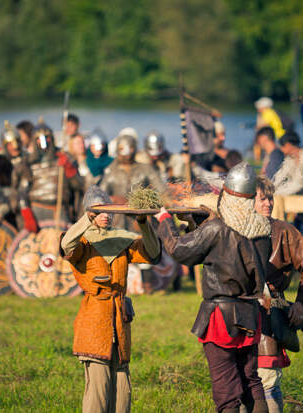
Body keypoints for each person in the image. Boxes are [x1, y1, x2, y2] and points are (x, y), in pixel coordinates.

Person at [155, 162, 272, 413]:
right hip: (250, 314)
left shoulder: (217, 228)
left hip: (221, 317)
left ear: (228, 195)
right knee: (252, 381)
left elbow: (180, 251)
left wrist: (165, 220)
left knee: (226, 388)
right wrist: (199, 222)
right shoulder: (263, 230)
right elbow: (223, 252)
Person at [59, 185, 161, 413]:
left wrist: (144, 223)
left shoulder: (120, 240)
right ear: (91, 212)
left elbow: (152, 254)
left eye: (109, 211)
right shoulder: (82, 241)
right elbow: (66, 245)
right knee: (98, 390)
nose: (106, 215)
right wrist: (88, 217)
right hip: (94, 318)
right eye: (101, 211)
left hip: (120, 319)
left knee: (122, 390)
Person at [253, 176, 303, 413]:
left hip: (271, 314)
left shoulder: (285, 231)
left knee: (268, 379)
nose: (268, 203)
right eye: (262, 199)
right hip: (240, 315)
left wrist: (301, 304)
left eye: (270, 198)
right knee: (241, 381)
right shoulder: (234, 229)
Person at [100, 132, 164, 230]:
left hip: (141, 224)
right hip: (117, 226)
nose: (127, 153)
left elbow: (162, 193)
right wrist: (111, 199)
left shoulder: (146, 170)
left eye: (130, 148)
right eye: (122, 149)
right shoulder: (111, 172)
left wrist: (139, 203)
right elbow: (99, 198)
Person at [25, 120, 82, 225]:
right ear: (34, 140)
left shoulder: (64, 157)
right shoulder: (28, 162)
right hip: (36, 210)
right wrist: (26, 214)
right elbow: (22, 192)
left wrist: (69, 168)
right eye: (39, 139)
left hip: (60, 210)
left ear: (51, 138)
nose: (44, 141)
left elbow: (78, 186)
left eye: (46, 137)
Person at [273, 131, 303, 251]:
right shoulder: (289, 160)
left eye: (283, 146)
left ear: (289, 145)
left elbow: (299, 184)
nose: (282, 149)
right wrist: (270, 189)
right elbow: (279, 177)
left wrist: (277, 193)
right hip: (298, 209)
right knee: (296, 246)